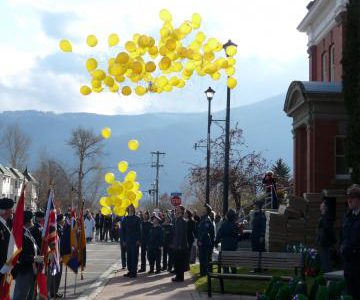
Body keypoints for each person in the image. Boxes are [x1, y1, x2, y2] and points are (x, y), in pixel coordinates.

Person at [13, 210, 43, 300]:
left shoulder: (27, 231)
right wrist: (34, 258)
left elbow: (35, 247)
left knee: (30, 295)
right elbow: (20, 255)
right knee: (21, 295)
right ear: (30, 220)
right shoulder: (20, 234)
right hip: (23, 270)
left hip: (31, 269)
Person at [341, 184, 360, 300]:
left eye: (352, 198)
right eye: (348, 197)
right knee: (350, 293)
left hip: (358, 262)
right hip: (348, 264)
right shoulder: (348, 216)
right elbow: (343, 235)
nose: (349, 200)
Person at [215, 209, 240, 273]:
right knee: (233, 259)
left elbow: (219, 234)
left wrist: (216, 242)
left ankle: (226, 272)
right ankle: (234, 271)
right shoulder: (235, 225)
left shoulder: (224, 225)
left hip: (225, 245)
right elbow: (238, 235)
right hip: (233, 245)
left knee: (225, 260)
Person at [316, 200, 336, 273]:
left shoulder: (326, 218)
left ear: (325, 207)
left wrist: (332, 240)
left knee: (326, 259)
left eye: (322, 204)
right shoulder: (323, 216)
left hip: (325, 242)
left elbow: (329, 230)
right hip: (322, 241)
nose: (320, 205)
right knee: (324, 259)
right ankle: (327, 275)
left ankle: (329, 276)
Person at [122, 204, 141, 278]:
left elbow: (139, 230)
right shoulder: (125, 218)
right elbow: (123, 230)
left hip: (135, 240)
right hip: (127, 240)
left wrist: (139, 240)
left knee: (134, 256)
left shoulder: (137, 218)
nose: (131, 207)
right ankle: (130, 271)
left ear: (133, 208)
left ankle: (134, 272)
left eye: (132, 206)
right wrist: (123, 240)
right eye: (129, 206)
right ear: (127, 208)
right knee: (129, 256)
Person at [197, 203, 215, 277]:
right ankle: (204, 272)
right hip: (203, 241)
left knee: (204, 258)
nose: (202, 210)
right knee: (203, 258)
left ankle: (204, 273)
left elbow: (205, 232)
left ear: (206, 210)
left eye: (204, 209)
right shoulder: (203, 218)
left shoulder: (207, 219)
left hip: (205, 242)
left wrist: (200, 240)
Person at [0, 198, 14, 287]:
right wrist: (2, 266)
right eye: (10, 209)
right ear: (4, 211)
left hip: (5, 267)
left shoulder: (5, 224)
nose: (12, 211)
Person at [172, 205, 188, 282]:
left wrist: (180, 245)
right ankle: (178, 276)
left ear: (181, 211)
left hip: (181, 245)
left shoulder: (182, 221)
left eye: (178, 209)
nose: (176, 210)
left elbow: (182, 234)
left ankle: (180, 277)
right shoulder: (176, 220)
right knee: (177, 261)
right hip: (176, 244)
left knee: (180, 262)